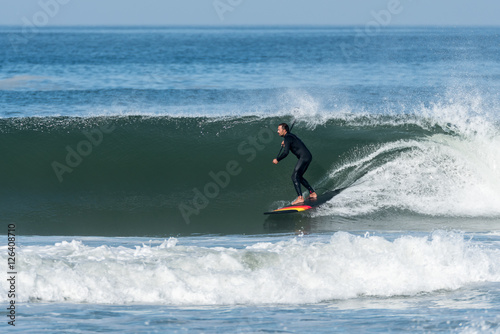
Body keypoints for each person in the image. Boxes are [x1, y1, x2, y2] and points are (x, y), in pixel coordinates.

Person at [272, 123, 317, 205]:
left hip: (303, 157)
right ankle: (312, 193)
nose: (277, 131)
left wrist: (277, 159)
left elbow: (286, 153)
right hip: (308, 156)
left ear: (284, 130)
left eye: (279, 129)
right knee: (299, 177)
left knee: (294, 176)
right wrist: (286, 143)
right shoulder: (290, 136)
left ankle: (300, 198)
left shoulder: (287, 138)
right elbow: (294, 142)